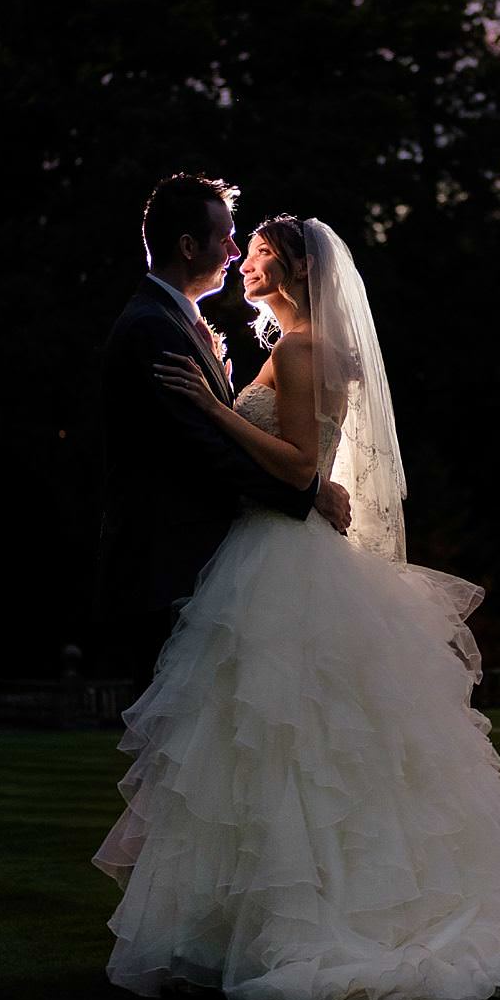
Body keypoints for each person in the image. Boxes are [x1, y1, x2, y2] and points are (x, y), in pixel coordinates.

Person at [94, 215, 500, 1000]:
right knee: (295, 743)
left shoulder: (302, 351)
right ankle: (265, 921)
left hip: (280, 559)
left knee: (282, 742)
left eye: (259, 255)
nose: (245, 264)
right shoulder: (301, 350)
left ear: (294, 273)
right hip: (276, 547)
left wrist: (214, 404)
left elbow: (300, 464)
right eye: (242, 249)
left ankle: (299, 920)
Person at [96, 173, 350, 682]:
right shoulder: (154, 327)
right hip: (171, 562)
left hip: (227, 559)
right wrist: (311, 490)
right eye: (227, 237)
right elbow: (206, 450)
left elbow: (223, 431)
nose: (236, 253)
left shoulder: (180, 324)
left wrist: (223, 405)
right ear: (189, 246)